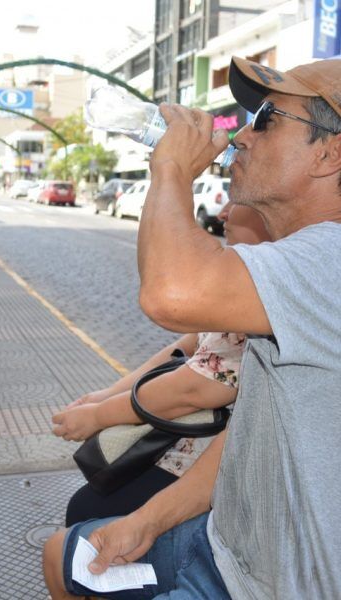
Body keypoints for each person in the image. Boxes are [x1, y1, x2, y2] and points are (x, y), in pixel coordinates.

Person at [44, 55, 341, 599]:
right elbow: (244, 437)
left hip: (283, 583)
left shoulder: (329, 260)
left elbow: (170, 293)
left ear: (330, 152)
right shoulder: (299, 263)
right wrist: (150, 521)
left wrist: (172, 169)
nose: (242, 135)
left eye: (268, 118)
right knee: (64, 555)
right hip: (229, 544)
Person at [53, 201, 270, 527]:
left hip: (218, 469)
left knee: (86, 513)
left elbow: (194, 389)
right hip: (186, 447)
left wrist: (99, 414)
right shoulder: (247, 277)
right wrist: (106, 394)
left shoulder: (267, 286)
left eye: (237, 202)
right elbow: (187, 345)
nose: (222, 212)